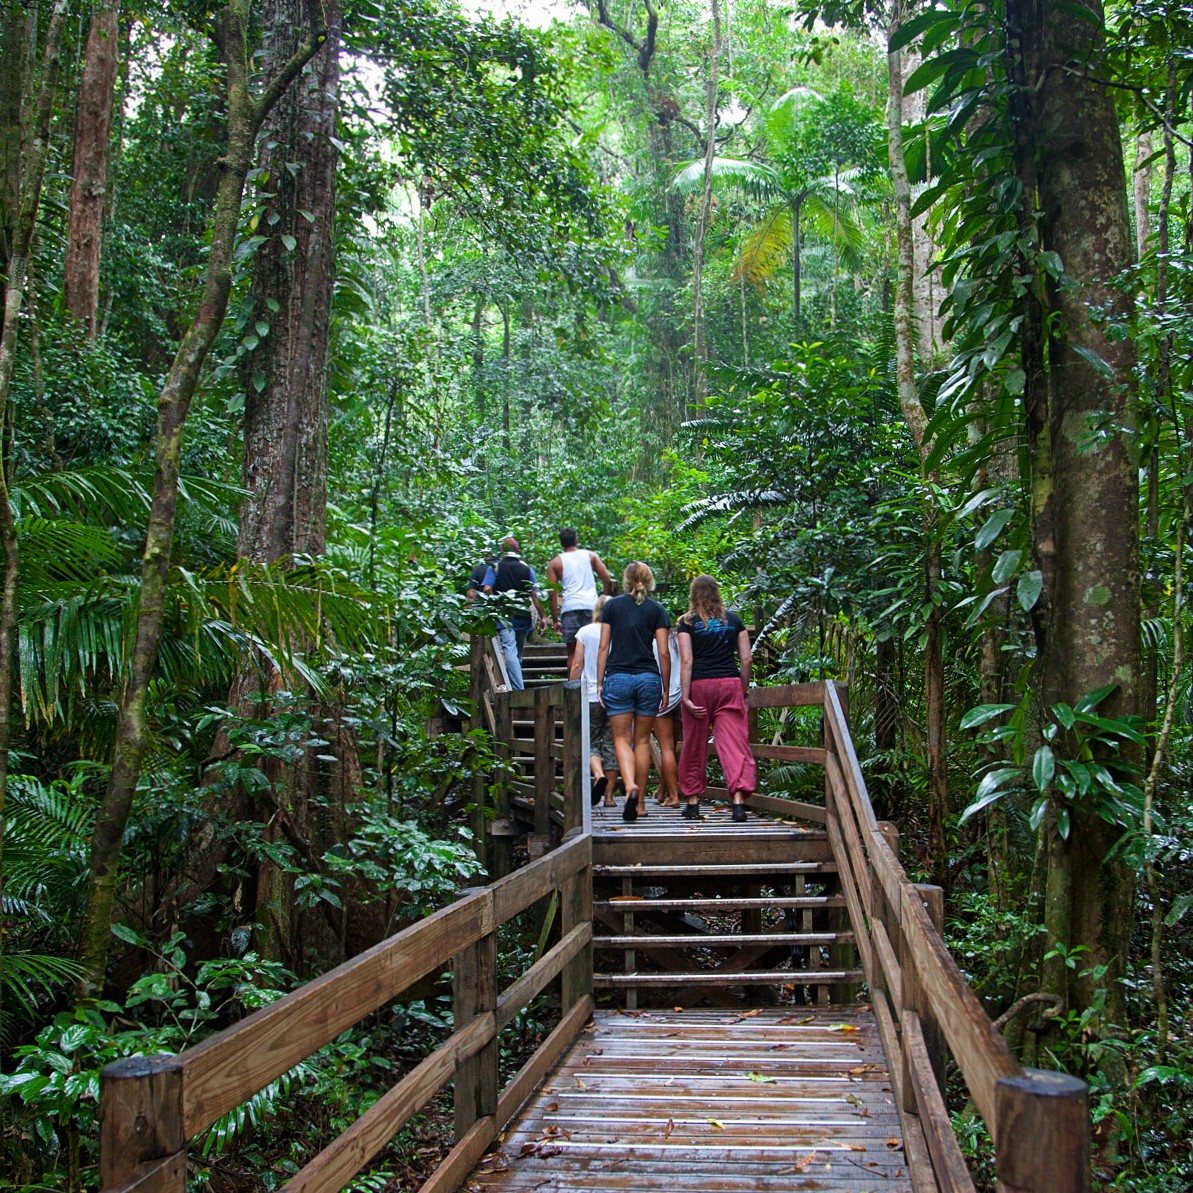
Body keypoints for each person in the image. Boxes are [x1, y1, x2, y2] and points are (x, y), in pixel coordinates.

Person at [677, 574, 756, 822]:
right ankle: (738, 803)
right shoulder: (734, 621)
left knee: (694, 742)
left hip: (699, 685)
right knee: (734, 743)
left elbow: (687, 660)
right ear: (716, 593)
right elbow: (746, 659)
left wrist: (686, 696)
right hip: (729, 685)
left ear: (694, 595)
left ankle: (692, 803)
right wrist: (741, 690)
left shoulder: (686, 623)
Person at [596, 561, 671, 823]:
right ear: (648, 580)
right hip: (649, 679)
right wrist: (665, 685)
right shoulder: (657, 610)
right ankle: (639, 805)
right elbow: (663, 652)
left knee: (621, 740)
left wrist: (599, 682)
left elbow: (603, 647)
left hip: (618, 678)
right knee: (641, 741)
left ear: (626, 581)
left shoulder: (612, 607)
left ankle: (629, 787)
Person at [571, 595, 618, 806]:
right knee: (611, 743)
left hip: (589, 695)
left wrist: (570, 690)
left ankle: (598, 775)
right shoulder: (619, 632)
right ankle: (609, 798)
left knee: (590, 741)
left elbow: (577, 664)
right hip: (615, 695)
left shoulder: (584, 632)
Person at [482, 537, 546, 691]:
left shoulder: (495, 568)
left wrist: (493, 601)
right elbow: (535, 593)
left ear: (503, 551)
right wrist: (542, 616)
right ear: (517, 551)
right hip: (523, 616)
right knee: (517, 653)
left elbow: (486, 589)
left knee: (509, 650)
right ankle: (516, 687)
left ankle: (517, 689)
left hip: (504, 615)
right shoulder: (527, 569)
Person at [546, 529, 613, 670]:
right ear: (576, 540)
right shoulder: (590, 556)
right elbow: (607, 580)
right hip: (591, 607)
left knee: (572, 652)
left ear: (561, 543)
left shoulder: (556, 563)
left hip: (570, 608)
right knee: (595, 647)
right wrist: (604, 603)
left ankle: (573, 688)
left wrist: (555, 620)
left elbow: (552, 593)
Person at [652, 625, 682, 807]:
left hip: (662, 696)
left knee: (666, 749)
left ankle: (674, 796)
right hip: (682, 695)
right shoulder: (681, 639)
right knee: (672, 749)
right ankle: (662, 790)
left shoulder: (653, 642)